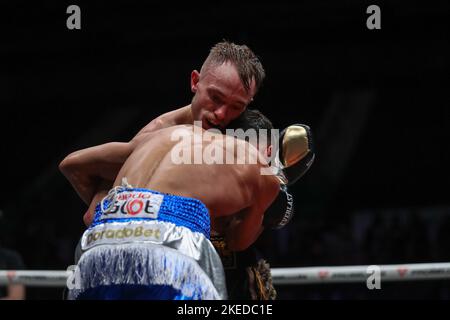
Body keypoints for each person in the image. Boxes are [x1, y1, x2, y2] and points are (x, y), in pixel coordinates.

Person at [59, 110, 280, 300]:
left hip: (99, 247)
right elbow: (239, 241)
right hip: (178, 257)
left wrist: (122, 211)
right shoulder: (255, 173)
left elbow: (74, 172)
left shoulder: (161, 138)